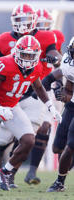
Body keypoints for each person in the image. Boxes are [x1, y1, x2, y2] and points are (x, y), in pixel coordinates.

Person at [0, 35, 62, 191]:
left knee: (28, 140)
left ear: (36, 56)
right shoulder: (6, 64)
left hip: (12, 107)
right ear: (17, 52)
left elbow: (38, 87)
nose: (27, 59)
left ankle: (5, 171)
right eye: (24, 55)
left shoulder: (37, 67)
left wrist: (50, 106)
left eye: (30, 56)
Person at [0, 3, 62, 188]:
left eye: (26, 20)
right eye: (19, 20)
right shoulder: (4, 39)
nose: (23, 24)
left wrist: (55, 57)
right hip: (12, 91)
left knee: (30, 132)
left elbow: (55, 53)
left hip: (36, 90)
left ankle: (14, 172)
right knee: (5, 137)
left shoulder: (46, 36)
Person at [22, 8, 65, 185]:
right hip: (25, 87)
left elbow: (61, 62)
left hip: (45, 86)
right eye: (39, 25)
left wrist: (59, 83)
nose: (42, 29)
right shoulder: (22, 37)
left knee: (45, 126)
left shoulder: (53, 37)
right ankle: (6, 161)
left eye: (45, 25)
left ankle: (32, 170)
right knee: (23, 131)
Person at [46, 37, 74, 192]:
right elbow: (69, 88)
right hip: (72, 105)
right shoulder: (68, 62)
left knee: (70, 145)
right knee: (57, 147)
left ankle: (59, 183)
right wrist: (61, 91)